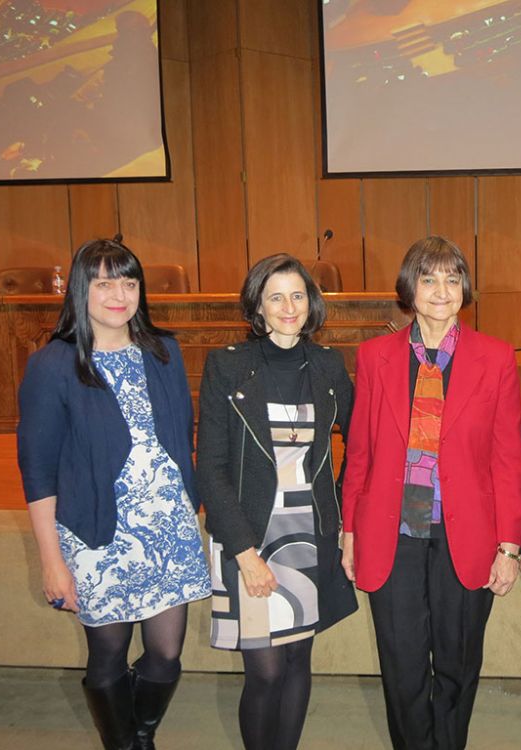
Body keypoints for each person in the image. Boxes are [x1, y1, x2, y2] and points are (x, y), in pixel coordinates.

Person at [17, 238, 211, 750]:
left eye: (128, 281)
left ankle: (140, 732)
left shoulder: (163, 351)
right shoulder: (52, 365)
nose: (119, 294)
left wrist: (191, 515)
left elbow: (179, 439)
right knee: (108, 655)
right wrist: (51, 560)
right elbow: (37, 473)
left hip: (167, 527)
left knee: (166, 655)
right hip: (98, 532)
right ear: (82, 289)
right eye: (104, 282)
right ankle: (124, 743)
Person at [340, 235, 521, 750]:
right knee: (401, 666)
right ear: (410, 288)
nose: (441, 290)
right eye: (428, 278)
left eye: (451, 278)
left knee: (458, 662)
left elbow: (509, 459)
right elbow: (360, 454)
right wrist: (349, 531)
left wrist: (509, 545)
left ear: (464, 287)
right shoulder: (375, 356)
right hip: (393, 530)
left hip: (465, 533)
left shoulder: (496, 357)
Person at [196, 254, 357, 750]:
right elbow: (212, 468)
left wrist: (344, 516)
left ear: (311, 303)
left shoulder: (328, 364)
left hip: (309, 534)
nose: (289, 306)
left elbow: (364, 444)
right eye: (275, 296)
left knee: (296, 663)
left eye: (298, 295)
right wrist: (245, 553)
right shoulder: (228, 365)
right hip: (249, 533)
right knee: (265, 671)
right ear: (258, 307)